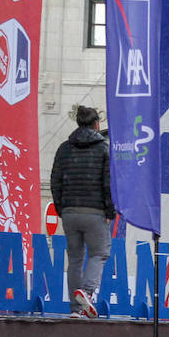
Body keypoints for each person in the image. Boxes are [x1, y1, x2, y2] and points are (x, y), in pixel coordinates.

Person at [50, 106, 114, 318]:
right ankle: (85, 293)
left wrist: (61, 208)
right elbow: (108, 183)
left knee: (75, 258)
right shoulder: (103, 149)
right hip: (94, 211)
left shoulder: (64, 149)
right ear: (97, 124)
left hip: (69, 212)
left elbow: (55, 180)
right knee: (99, 253)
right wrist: (110, 210)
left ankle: (76, 310)